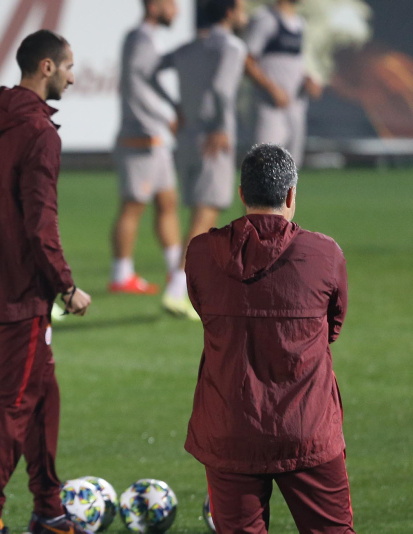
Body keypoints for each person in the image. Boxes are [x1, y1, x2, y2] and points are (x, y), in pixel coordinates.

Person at [0, 30, 92, 534]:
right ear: (46, 67)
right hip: (22, 292)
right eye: (69, 68)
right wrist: (66, 286)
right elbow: (40, 222)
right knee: (11, 406)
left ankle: (48, 508)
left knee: (43, 396)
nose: (73, 78)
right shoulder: (39, 133)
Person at [184, 144, 353, 533]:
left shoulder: (202, 253)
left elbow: (204, 311)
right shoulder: (324, 254)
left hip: (230, 426)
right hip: (306, 427)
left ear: (242, 194)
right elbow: (333, 328)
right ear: (291, 194)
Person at [158, 0, 248, 319]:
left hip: (187, 138)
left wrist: (174, 105)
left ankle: (189, 288)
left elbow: (151, 70)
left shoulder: (189, 47)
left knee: (200, 215)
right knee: (203, 217)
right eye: (242, 8)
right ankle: (176, 290)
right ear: (229, 12)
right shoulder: (232, 46)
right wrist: (222, 126)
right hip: (213, 137)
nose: (245, 14)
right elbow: (222, 88)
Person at [109, 0, 185, 305]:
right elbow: (136, 87)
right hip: (140, 138)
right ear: (154, 6)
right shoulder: (139, 39)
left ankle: (176, 270)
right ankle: (121, 274)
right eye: (171, 3)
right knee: (133, 206)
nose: (176, 9)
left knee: (167, 201)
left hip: (156, 139)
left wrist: (173, 106)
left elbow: (150, 81)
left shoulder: (148, 38)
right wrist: (165, 116)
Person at [245, 0, 323, 165]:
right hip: (270, 107)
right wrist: (272, 89)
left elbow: (294, 64)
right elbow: (247, 61)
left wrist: (308, 80)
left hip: (296, 107)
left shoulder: (300, 23)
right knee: (265, 164)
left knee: (292, 168)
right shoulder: (265, 19)